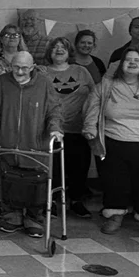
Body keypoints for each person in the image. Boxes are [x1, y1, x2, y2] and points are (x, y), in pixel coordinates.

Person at [83, 48, 139, 239]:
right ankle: (114, 214)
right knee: (115, 181)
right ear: (120, 64)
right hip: (114, 142)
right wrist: (89, 128)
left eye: (137, 60)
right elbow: (92, 107)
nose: (132, 63)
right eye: (128, 60)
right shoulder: (107, 85)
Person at [0, 51, 63, 237]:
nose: (19, 72)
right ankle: (12, 216)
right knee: (9, 179)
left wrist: (55, 128)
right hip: (8, 141)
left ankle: (34, 219)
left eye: (24, 68)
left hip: (35, 143)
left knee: (35, 182)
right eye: (16, 67)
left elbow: (54, 110)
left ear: (33, 66)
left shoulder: (44, 83)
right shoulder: (2, 82)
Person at [42, 37, 95, 218]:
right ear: (49, 52)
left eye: (62, 47)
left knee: (79, 167)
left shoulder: (81, 71)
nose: (58, 50)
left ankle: (76, 200)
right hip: (52, 129)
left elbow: (94, 96)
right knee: (54, 167)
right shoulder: (43, 72)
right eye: (54, 47)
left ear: (69, 52)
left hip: (78, 128)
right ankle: (54, 200)